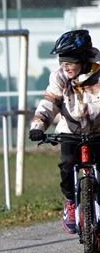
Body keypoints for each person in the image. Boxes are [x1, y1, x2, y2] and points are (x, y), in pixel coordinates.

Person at [29, 29, 100, 233]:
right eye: (62, 61)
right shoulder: (59, 77)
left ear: (84, 60)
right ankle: (71, 202)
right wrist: (38, 127)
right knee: (66, 166)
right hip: (70, 131)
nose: (65, 66)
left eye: (70, 61)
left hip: (98, 132)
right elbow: (49, 104)